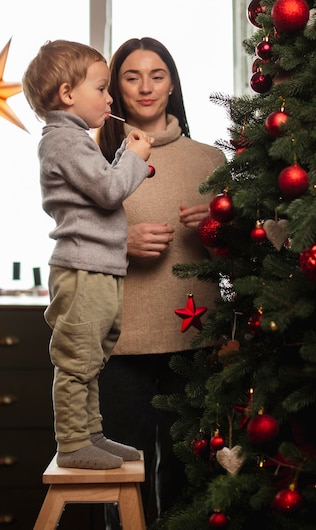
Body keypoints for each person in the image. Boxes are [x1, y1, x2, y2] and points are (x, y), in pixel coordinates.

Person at [97, 37, 226, 521]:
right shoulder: (93, 156)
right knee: (126, 480)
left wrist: (218, 227)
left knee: (189, 475)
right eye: (132, 76)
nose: (146, 87)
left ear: (172, 84)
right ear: (115, 88)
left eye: (157, 75)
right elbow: (65, 249)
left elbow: (236, 258)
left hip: (194, 341)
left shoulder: (209, 161)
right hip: (119, 344)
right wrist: (121, 243)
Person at [22, 39, 154, 471]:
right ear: (67, 94)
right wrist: (134, 157)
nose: (110, 97)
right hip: (82, 271)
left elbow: (101, 181)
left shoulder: (74, 140)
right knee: (77, 360)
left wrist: (121, 155)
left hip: (98, 269)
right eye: (101, 88)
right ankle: (74, 442)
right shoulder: (65, 141)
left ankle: (91, 432)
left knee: (93, 358)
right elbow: (110, 190)